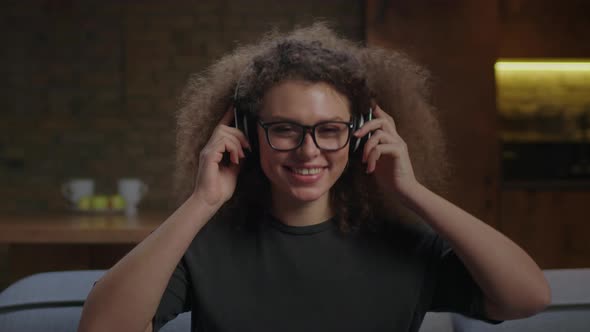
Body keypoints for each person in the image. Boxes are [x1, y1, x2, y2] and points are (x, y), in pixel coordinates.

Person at [78, 23, 550, 332]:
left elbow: (528, 297)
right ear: (246, 133)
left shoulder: (406, 245)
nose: (309, 151)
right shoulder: (203, 246)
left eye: (329, 131)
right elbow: (100, 329)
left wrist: (412, 192)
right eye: (284, 129)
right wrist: (203, 200)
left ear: (362, 135)